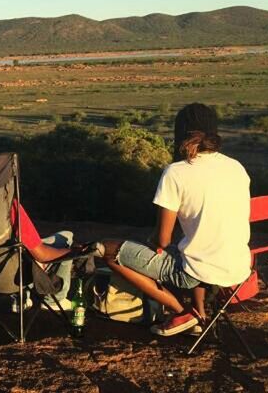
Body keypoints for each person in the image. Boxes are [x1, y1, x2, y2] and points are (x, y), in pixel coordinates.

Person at [102, 103, 251, 336]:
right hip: (238, 267)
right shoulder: (236, 167)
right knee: (192, 249)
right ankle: (199, 314)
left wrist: (150, 244)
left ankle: (182, 311)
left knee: (108, 251)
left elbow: (161, 240)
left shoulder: (176, 172)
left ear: (180, 132)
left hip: (196, 271)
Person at [0, 145, 86, 311]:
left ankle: (22, 297)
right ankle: (54, 300)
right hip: (8, 277)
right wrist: (76, 252)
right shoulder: (5, 204)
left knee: (18, 248)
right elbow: (41, 253)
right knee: (66, 237)